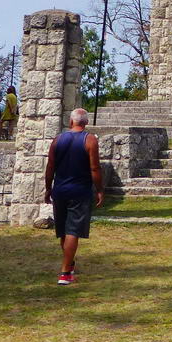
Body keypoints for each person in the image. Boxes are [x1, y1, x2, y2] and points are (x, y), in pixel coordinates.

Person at [44, 108, 104, 286]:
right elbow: (95, 168)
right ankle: (65, 273)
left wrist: (48, 188)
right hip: (79, 190)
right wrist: (99, 189)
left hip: (60, 189)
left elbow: (50, 167)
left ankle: (69, 264)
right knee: (73, 231)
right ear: (85, 123)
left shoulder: (57, 140)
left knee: (63, 230)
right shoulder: (90, 140)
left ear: (71, 122)